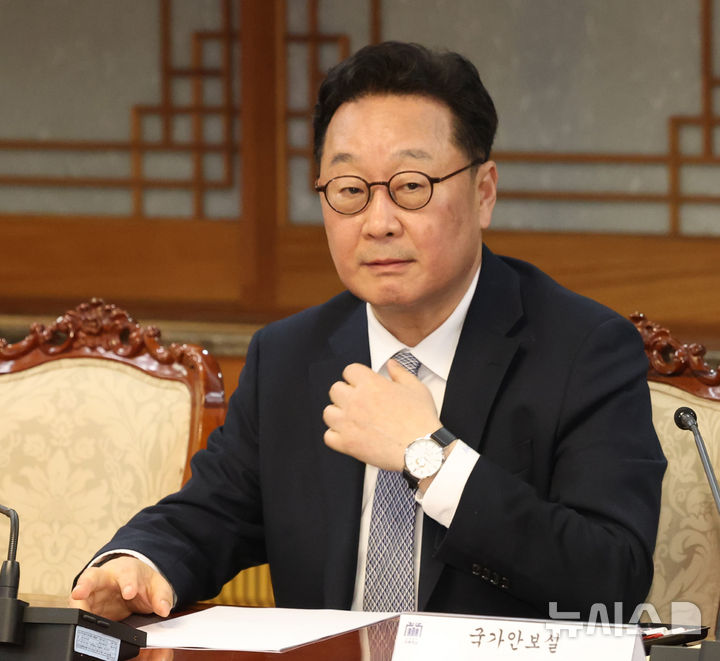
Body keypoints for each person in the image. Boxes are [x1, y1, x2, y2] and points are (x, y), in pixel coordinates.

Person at [70, 41, 666, 623]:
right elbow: (214, 512)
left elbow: (611, 575)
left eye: (411, 186)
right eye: (351, 191)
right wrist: (139, 562)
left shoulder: (583, 349)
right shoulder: (288, 355)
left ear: (483, 193)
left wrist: (429, 457)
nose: (378, 223)